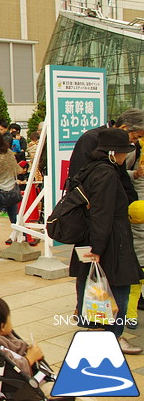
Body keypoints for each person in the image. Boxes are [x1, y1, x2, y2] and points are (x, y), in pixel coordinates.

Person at [69, 128, 143, 355]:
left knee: (94, 286)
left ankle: (98, 332)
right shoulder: (107, 173)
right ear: (113, 152)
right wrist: (98, 248)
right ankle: (113, 336)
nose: (124, 157)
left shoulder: (90, 168)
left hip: (97, 238)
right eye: (123, 152)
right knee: (117, 286)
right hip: (110, 239)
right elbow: (102, 212)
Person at [67, 108, 144, 203]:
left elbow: (123, 176)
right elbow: (77, 176)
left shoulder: (121, 144)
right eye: (137, 137)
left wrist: (132, 203)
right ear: (124, 128)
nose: (135, 141)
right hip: (90, 205)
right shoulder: (90, 139)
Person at [0, 294, 46, 380]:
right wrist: (30, 358)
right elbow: (13, 370)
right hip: (30, 385)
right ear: (3, 326)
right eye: (9, 318)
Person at [126, 137, 144, 329]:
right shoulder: (135, 150)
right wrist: (136, 174)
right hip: (138, 205)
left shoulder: (129, 227)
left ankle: (130, 317)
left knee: (133, 289)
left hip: (136, 262)